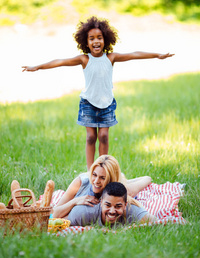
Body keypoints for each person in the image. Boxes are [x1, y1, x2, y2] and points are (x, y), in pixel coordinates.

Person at [22, 16, 174, 169]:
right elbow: (60, 61)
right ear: (86, 42)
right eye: (92, 38)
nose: (96, 41)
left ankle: (102, 168)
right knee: (91, 137)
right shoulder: (84, 59)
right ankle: (91, 171)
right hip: (88, 103)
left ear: (105, 40)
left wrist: (157, 55)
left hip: (107, 104)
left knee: (103, 136)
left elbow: (134, 54)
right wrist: (38, 66)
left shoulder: (111, 57)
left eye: (99, 38)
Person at [52, 155, 151, 218]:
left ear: (111, 179)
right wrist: (75, 201)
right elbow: (54, 214)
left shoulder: (120, 191)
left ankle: (124, 178)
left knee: (144, 180)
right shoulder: (80, 183)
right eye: (94, 175)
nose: (96, 181)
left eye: (102, 178)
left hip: (119, 181)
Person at [67, 182, 157, 227]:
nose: (112, 211)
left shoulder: (132, 211)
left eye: (118, 206)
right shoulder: (83, 213)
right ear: (101, 202)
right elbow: (59, 222)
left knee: (144, 181)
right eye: (108, 205)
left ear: (125, 205)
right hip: (84, 185)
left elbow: (157, 223)